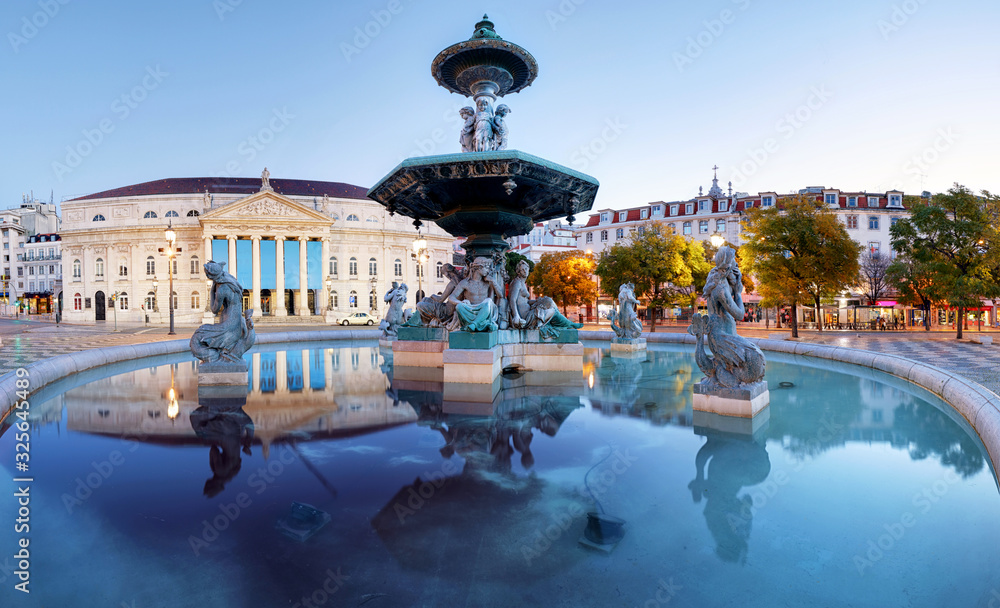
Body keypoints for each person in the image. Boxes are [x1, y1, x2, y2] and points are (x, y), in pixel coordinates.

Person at [450, 257, 502, 332]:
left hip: (484, 309)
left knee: (488, 301)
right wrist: (460, 302)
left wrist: (493, 281)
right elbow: (451, 297)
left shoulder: (488, 282)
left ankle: (474, 324)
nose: (488, 271)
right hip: (470, 309)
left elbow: (500, 295)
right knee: (459, 306)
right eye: (486, 268)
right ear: (479, 268)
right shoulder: (465, 282)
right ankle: (481, 324)